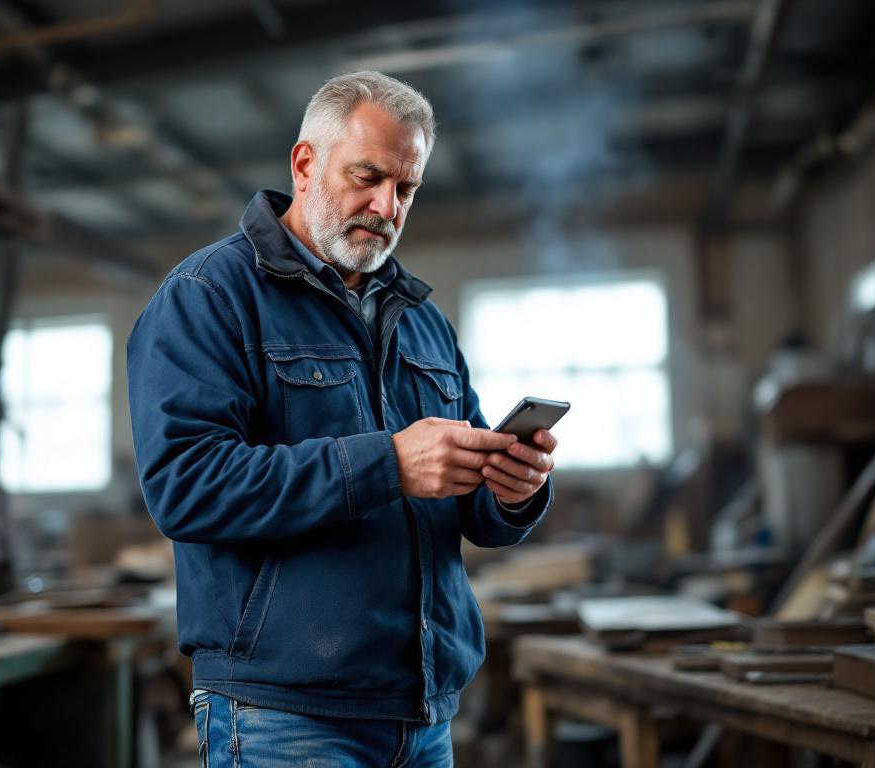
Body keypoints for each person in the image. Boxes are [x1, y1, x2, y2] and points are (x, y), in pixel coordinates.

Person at [127, 71, 558, 767]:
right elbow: (186, 486)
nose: (387, 206)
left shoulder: (423, 322)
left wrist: (514, 489)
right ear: (305, 164)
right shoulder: (208, 297)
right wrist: (388, 464)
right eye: (368, 177)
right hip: (284, 717)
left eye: (406, 188)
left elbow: (472, 507)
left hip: (424, 713)